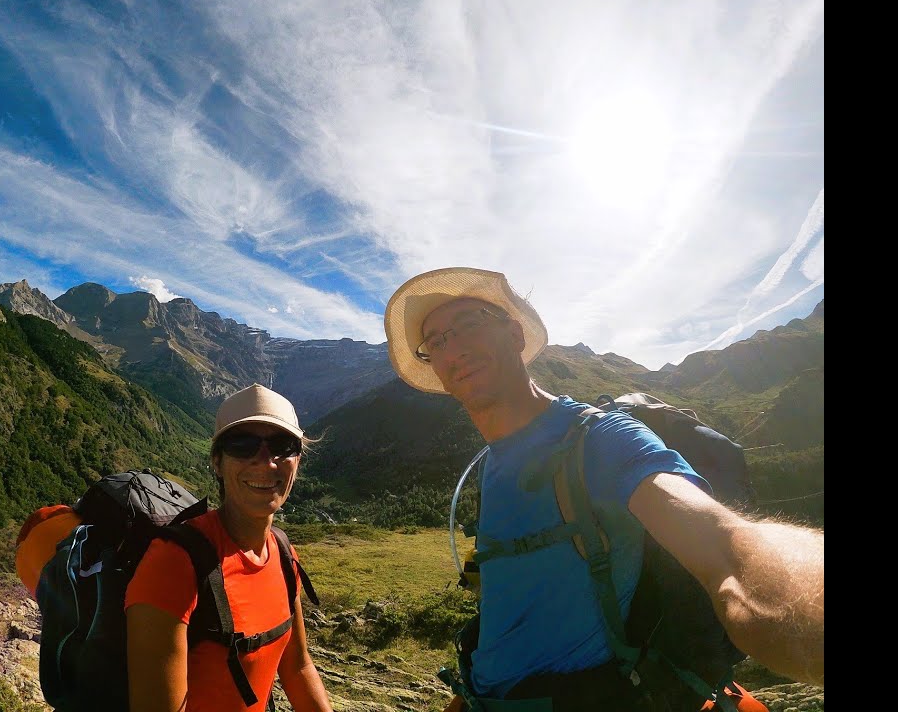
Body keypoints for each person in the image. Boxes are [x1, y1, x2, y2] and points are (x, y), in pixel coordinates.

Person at [383, 267, 824, 711]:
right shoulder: (493, 462)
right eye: (436, 342)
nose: (454, 346)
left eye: (471, 324)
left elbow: (727, 547)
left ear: (515, 335)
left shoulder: (602, 440)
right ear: (434, 368)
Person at [125, 383, 334, 712]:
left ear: (298, 460)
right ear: (217, 462)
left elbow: (297, 668)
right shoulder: (175, 562)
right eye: (243, 445)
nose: (266, 462)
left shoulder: (282, 552)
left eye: (282, 445)